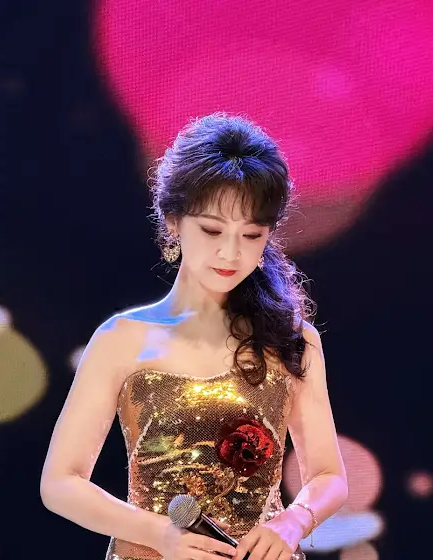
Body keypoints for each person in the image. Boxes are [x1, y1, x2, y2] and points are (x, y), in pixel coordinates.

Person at [40, 113, 348, 560]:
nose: (230, 252)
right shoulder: (121, 339)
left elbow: (329, 475)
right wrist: (159, 534)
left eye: (251, 235)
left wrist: (293, 521)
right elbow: (60, 483)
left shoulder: (290, 340)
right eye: (212, 230)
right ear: (173, 221)